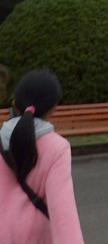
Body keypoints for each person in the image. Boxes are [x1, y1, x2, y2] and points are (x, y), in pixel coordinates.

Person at [0, 69, 85, 244]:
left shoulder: (2, 138)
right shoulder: (57, 148)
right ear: (54, 107)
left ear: (15, 103)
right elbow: (63, 217)